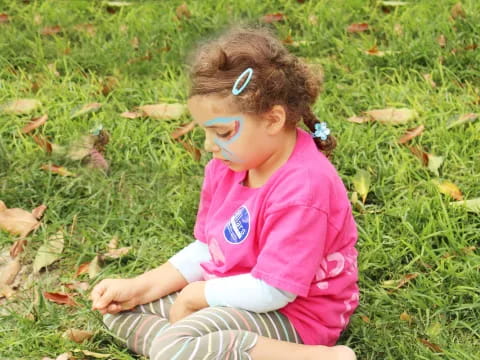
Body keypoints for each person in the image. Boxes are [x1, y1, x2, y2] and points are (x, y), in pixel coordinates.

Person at [90, 25, 359, 360]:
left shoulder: (303, 188)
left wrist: (194, 296)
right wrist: (141, 286)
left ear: (273, 119)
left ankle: (322, 357)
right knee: (119, 312)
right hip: (235, 290)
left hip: (294, 316)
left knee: (177, 343)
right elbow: (209, 248)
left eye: (222, 132)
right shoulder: (228, 165)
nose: (209, 147)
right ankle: (194, 350)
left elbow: (275, 291)